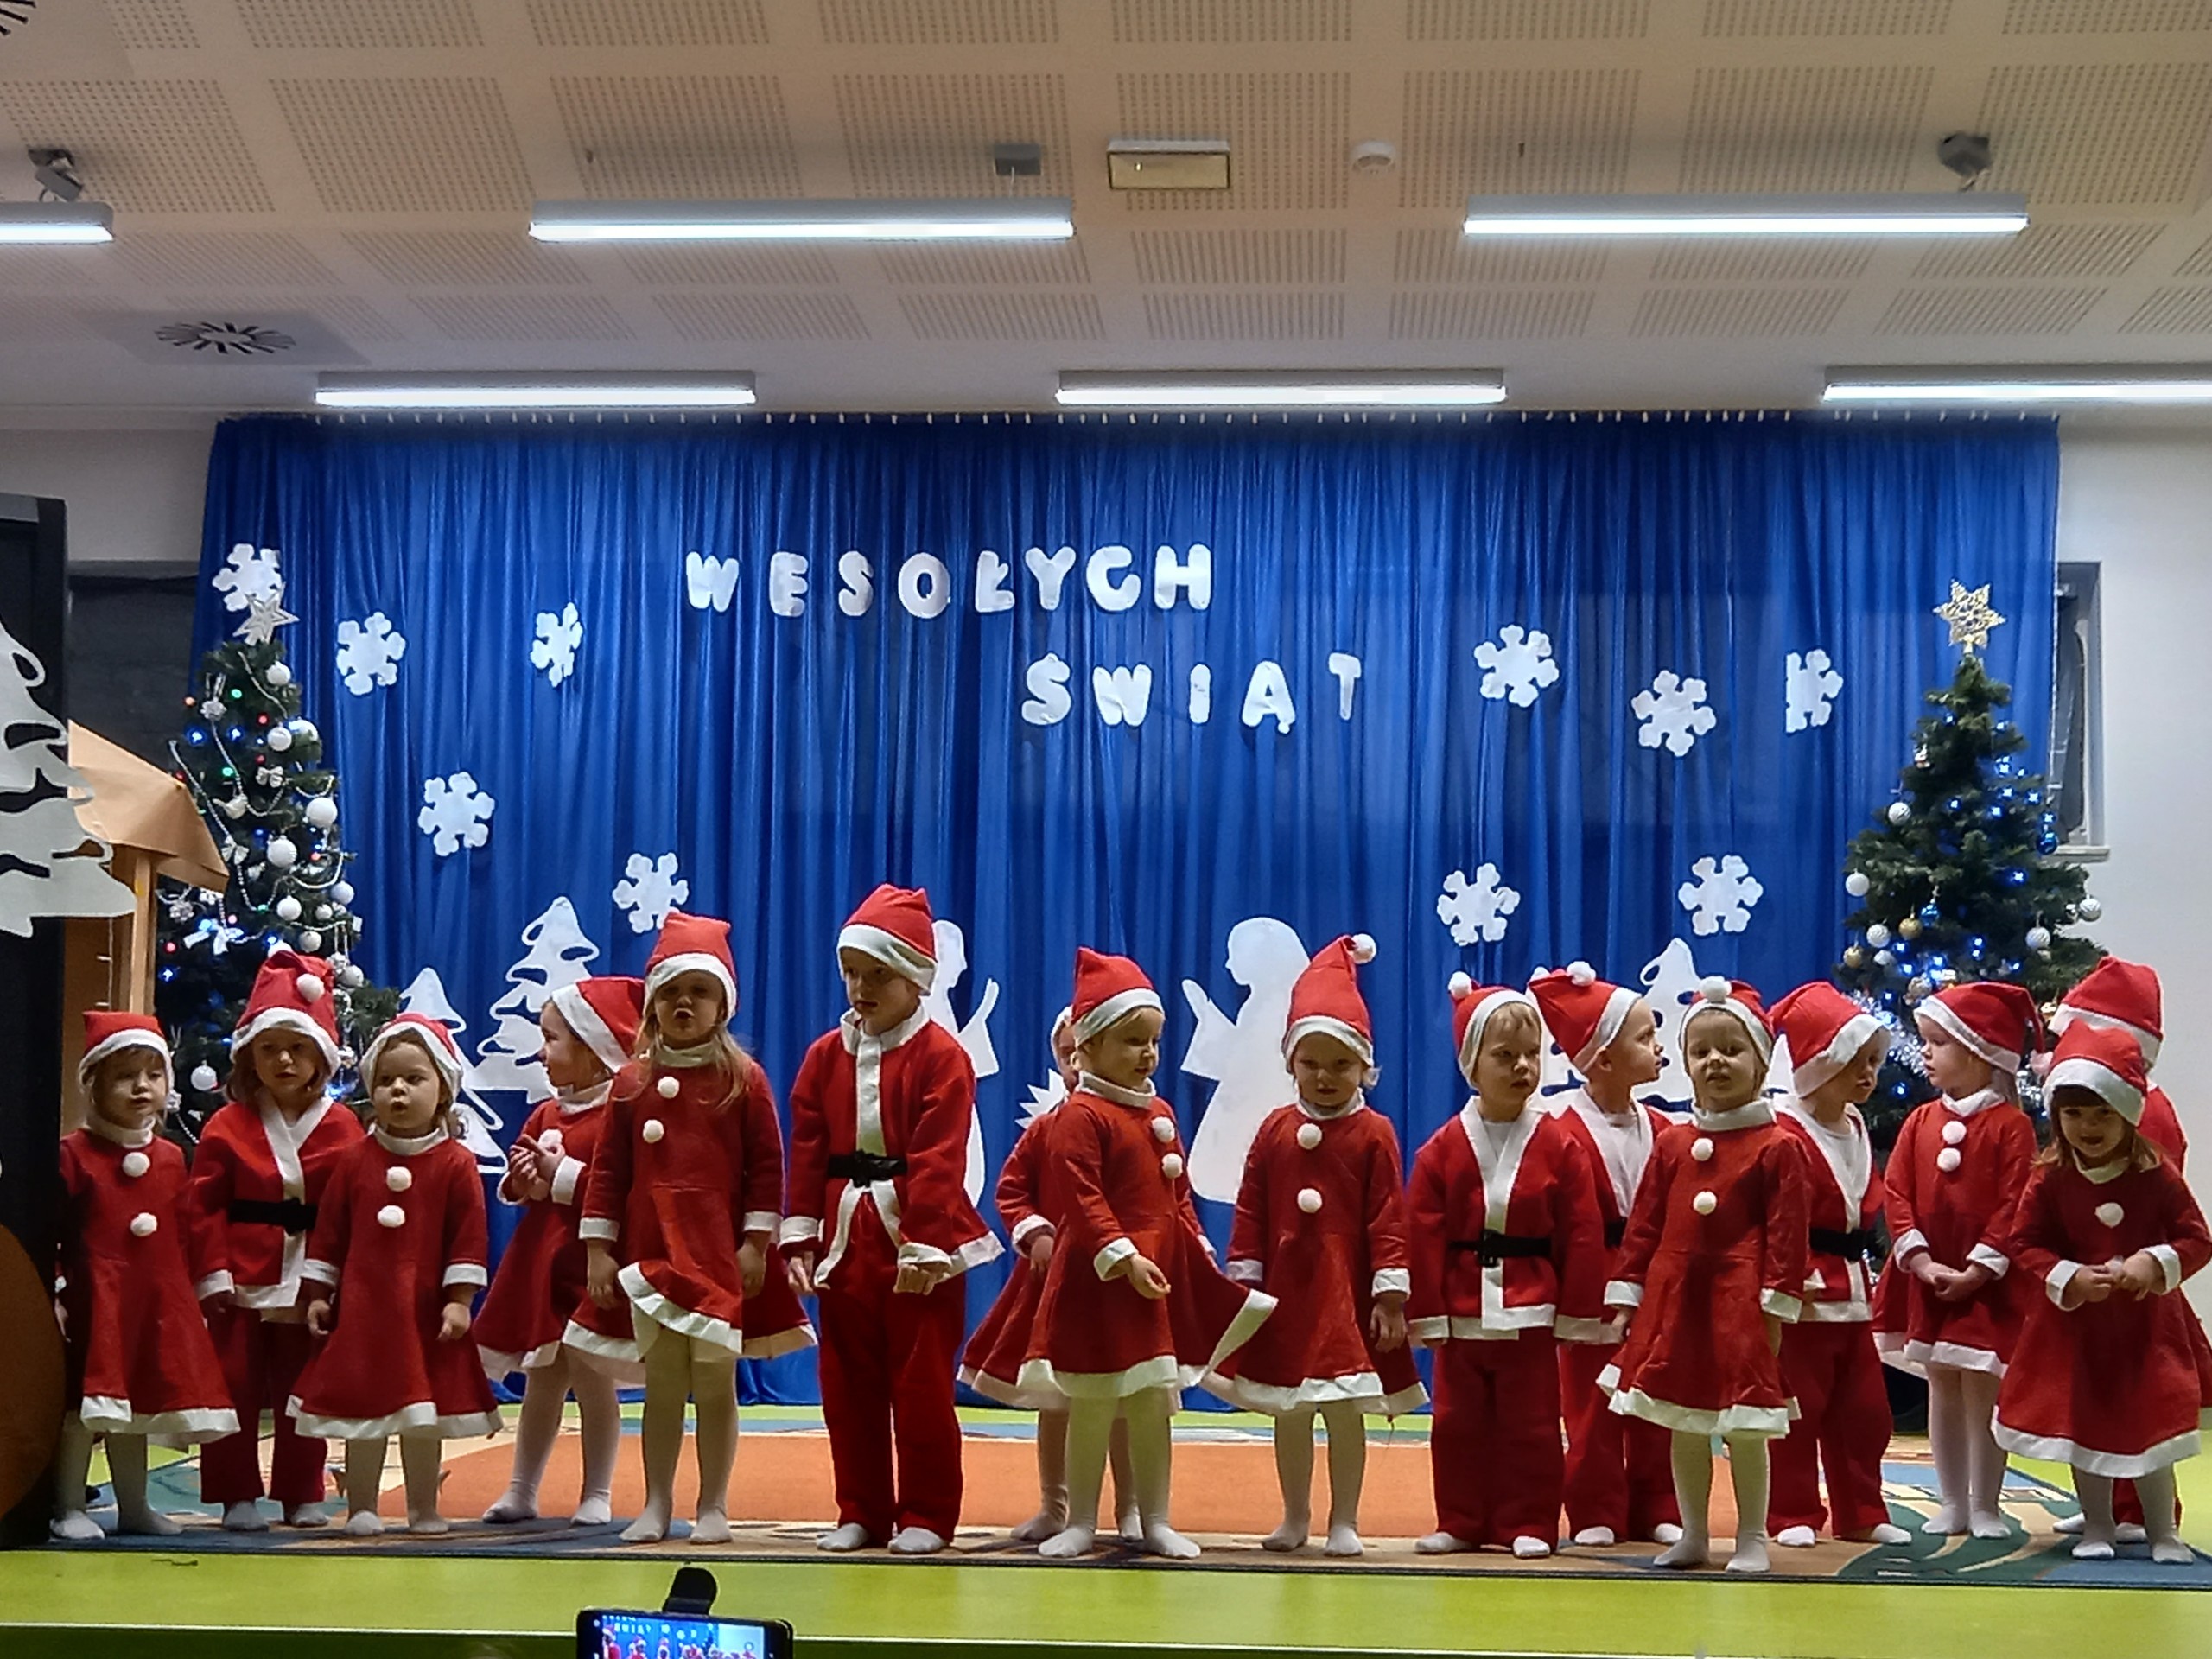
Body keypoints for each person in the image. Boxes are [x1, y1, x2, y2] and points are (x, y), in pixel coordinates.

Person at [1017, 948, 1274, 1559]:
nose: (1148, 1054)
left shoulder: (1159, 1112)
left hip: (1152, 1282)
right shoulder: (1080, 1116)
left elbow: (1176, 1194)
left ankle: (1154, 1519)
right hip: (1097, 1285)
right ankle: (1081, 1520)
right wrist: (1122, 1257)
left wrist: (1195, 1246)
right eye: (1133, 1041)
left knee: (1152, 1404)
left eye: (1154, 1041)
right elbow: (1082, 1196)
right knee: (1092, 1403)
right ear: (1089, 1047)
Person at [582, 911, 814, 1544]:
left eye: (699, 991)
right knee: (663, 1384)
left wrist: (755, 1243)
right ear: (653, 1004)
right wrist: (599, 1249)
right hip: (650, 1254)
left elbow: (767, 1167)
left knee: (714, 1382)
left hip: (716, 1258)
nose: (684, 1003)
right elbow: (608, 1172)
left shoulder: (744, 1080)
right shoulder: (630, 1083)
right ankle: (656, 1504)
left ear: (723, 1005)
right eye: (672, 992)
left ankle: (714, 1505)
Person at [783, 885, 1001, 1554]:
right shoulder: (824, 1057)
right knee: (847, 1385)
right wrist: (800, 1236)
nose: (861, 988)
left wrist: (925, 1245)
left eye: (878, 974)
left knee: (921, 1384)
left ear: (916, 979)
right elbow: (808, 1151)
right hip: (845, 1245)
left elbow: (940, 1157)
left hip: (919, 1247)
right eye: (852, 972)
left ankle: (928, 1514)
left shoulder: (943, 1057)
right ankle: (862, 1511)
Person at [1221, 935, 1425, 1558]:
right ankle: (1294, 1516)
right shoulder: (1274, 1131)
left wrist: (1389, 1294)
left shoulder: (1374, 1133)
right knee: (1290, 1410)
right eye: (1311, 1063)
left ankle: (1345, 1520)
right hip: (1287, 1295)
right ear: (1291, 1064)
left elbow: (1389, 1217)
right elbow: (1251, 1209)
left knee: (1343, 1409)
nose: (1324, 1077)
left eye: (1340, 1064)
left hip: (1345, 1296)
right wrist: (1246, 1282)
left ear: (1364, 1066)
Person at [1602, 978, 1808, 1574]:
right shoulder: (1673, 1144)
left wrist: (1775, 1308)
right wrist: (1629, 1294)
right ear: (1686, 1064)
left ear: (1760, 1062)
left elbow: (1788, 1237)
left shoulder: (1778, 1146)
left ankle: (1752, 1537)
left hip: (1739, 1304)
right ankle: (1694, 1534)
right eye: (1701, 1051)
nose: (1715, 1061)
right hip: (1678, 1301)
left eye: (1731, 1050)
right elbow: (1645, 1225)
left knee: (1744, 1425)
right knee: (1683, 1421)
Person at [1993, 1022, 2210, 1565]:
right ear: (2057, 1116)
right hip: (2077, 1332)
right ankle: (2097, 1525)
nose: (2088, 1127)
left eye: (2102, 1114)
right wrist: (2066, 1275)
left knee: (2151, 1430)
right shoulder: (2050, 1177)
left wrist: (2153, 1262)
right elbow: (2024, 1241)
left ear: (2127, 1114)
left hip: (2145, 1331)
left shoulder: (2155, 1173)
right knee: (2082, 1430)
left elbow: (2195, 1239)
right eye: (2074, 1114)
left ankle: (2163, 1531)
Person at [1408, 975, 1606, 1559]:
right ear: (1471, 1065)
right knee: (1457, 1424)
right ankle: (1460, 1520)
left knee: (1533, 1425)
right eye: (1505, 1055)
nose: (1522, 1066)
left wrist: (1577, 1312)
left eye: (1531, 1054)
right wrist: (1428, 1313)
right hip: (1463, 1313)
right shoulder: (1441, 1149)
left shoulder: (1560, 1145)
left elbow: (1582, 1232)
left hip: (1530, 1312)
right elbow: (1423, 1235)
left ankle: (1531, 1522)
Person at [291, 1014, 502, 1534]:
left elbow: (468, 1239)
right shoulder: (353, 1161)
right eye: (386, 1081)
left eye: (413, 1078)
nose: (398, 1090)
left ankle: (423, 1508)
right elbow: (330, 1234)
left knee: (423, 1415)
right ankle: (362, 1505)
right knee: (363, 1411)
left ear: (443, 1090)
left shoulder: (456, 1164)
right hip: (363, 1312)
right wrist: (319, 1294)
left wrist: (459, 1300)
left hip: (424, 1313)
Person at [189, 949, 364, 1529]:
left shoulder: (343, 1128)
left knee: (302, 1392)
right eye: (269, 1049)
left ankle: (301, 1492)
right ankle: (235, 1493)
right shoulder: (226, 1126)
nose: (283, 1060)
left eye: (296, 1048)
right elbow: (203, 1208)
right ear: (250, 1056)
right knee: (234, 1388)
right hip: (241, 1280)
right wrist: (213, 1274)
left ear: (321, 1055)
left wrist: (335, 1280)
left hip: (310, 1282)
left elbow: (348, 1213)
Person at [50, 1014, 238, 1540]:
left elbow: (185, 1230)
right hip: (96, 1301)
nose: (140, 1087)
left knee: (132, 1409)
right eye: (124, 1076)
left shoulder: (172, 1158)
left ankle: (134, 1506)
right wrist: (58, 1289)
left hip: (153, 1300)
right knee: (83, 1410)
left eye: (153, 1076)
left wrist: (197, 1294)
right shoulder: (73, 1155)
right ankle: (68, 1505)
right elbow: (51, 1231)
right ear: (94, 1085)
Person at [956, 1007, 1139, 1544]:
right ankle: (1054, 1507)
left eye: (1085, 1049)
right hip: (1057, 1287)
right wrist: (1034, 1231)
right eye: (1066, 1053)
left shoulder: (1141, 1124)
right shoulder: (1047, 1128)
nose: (1076, 1063)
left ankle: (1130, 1508)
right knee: (1055, 1400)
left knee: (1125, 1401)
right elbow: (1012, 1189)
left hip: (1120, 1285)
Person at [1873, 980, 2040, 1541]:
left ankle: (1985, 1504)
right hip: (1930, 1280)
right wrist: (1919, 1259)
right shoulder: (1919, 1121)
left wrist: (1979, 1269)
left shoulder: (2012, 1126)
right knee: (1941, 1386)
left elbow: (2016, 1202)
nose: (1925, 1052)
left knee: (1983, 1390)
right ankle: (1951, 1502)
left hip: (1986, 1286)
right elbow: (1896, 1190)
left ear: (1979, 1052)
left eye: (1938, 1042)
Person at [475, 975, 644, 1527]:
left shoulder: (621, 1112)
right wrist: (523, 1180)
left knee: (594, 1380)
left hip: (591, 1267)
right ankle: (521, 1489)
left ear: (594, 1048)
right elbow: (521, 1179)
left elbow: (622, 1191)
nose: (541, 1052)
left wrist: (561, 1175)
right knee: (542, 1381)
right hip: (543, 1268)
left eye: (551, 1039)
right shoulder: (547, 1113)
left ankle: (597, 1492)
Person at [1529, 962, 1681, 1548]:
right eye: (1645, 1037)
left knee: (1655, 1395)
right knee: (1590, 1402)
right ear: (1604, 1060)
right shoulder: (1559, 1129)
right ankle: (1594, 1505)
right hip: (1590, 1286)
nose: (1659, 1046)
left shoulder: (1665, 1128)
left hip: (1655, 1285)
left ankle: (1657, 1503)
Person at [2047, 957, 2201, 1541]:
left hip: (2138, 1287)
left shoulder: (2145, 1115)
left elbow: (2161, 1206)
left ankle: (2142, 1510)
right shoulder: (2104, 1110)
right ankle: (2109, 1505)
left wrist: (2145, 1262)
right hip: (2097, 1288)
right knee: (2100, 1397)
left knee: (2145, 1404)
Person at [1765, 982, 1911, 1548]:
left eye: (1873, 1062)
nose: (1868, 1074)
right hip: (1802, 1299)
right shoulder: (1783, 1131)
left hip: (1852, 1295)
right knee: (1797, 1411)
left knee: (1865, 1412)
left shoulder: (1854, 1127)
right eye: (1855, 1062)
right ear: (1819, 1063)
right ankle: (1791, 1513)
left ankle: (1862, 1511)